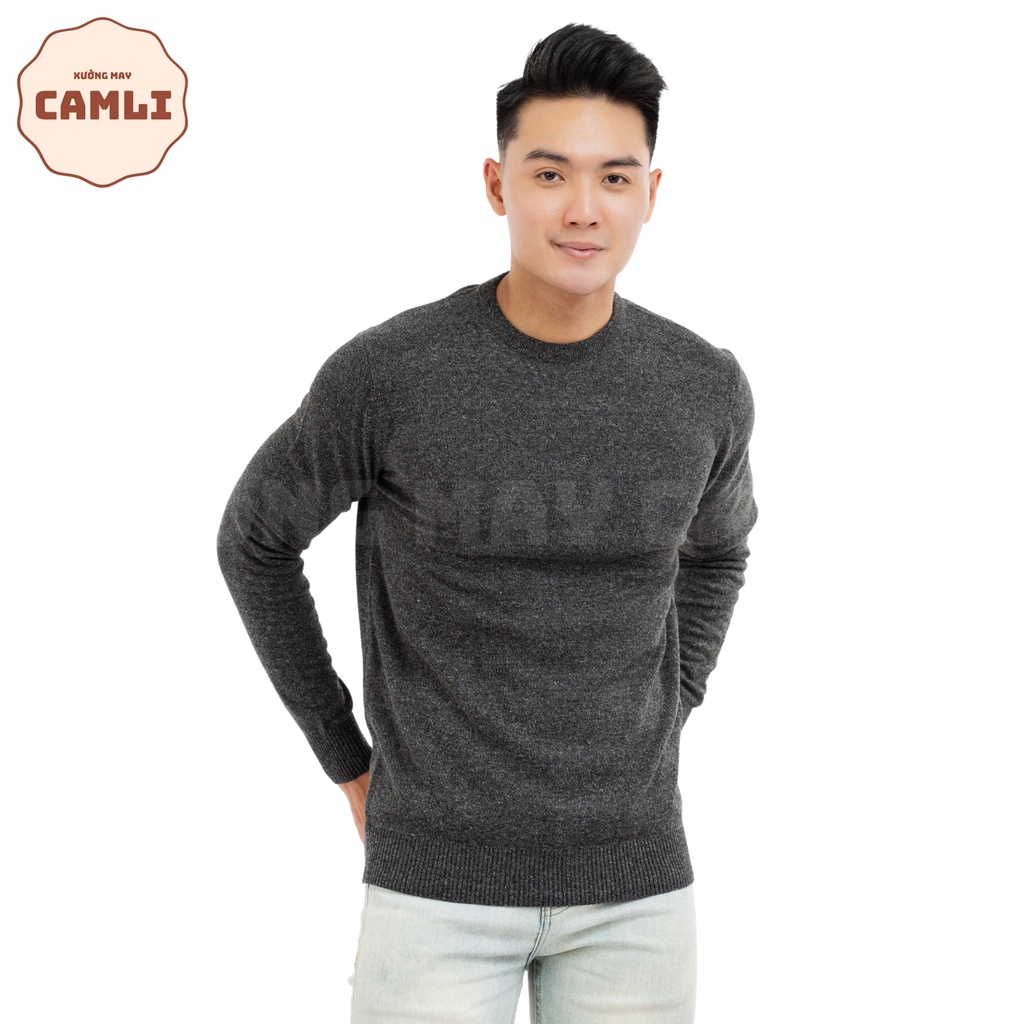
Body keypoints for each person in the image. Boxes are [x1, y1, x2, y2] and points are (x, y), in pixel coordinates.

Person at [217, 22, 757, 1023]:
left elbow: (719, 551)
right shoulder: (390, 375)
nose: (583, 208)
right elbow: (255, 539)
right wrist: (344, 755)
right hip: (433, 889)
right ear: (497, 183)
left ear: (651, 193)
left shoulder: (702, 386)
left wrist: (671, 700)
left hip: (637, 891)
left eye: (614, 177)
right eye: (550, 174)